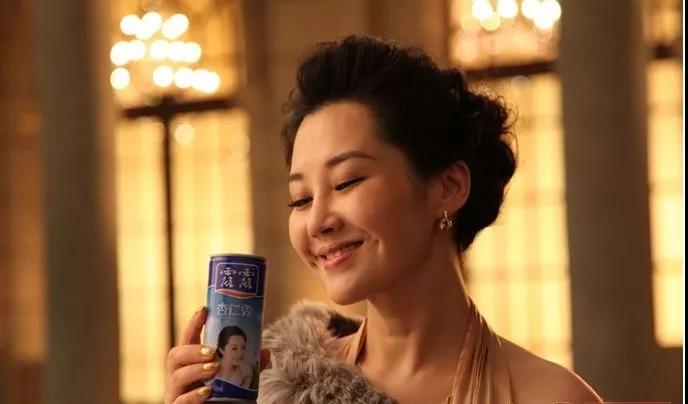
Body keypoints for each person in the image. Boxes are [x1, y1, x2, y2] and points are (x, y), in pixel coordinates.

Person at [165, 35, 603, 404]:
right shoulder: (277, 386)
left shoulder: (550, 396)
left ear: (449, 187)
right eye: (300, 199)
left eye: (347, 181)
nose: (317, 222)